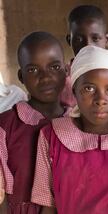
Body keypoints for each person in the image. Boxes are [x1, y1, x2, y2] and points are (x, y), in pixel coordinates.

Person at [31, 46, 108, 214]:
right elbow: (48, 206)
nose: (101, 99)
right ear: (74, 91)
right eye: (89, 88)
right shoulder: (52, 136)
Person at [0, 31, 69, 213]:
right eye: (32, 70)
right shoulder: (5, 127)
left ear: (66, 71)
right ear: (21, 76)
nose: (45, 77)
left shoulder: (78, 123)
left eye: (54, 67)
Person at [61, 4, 108, 122]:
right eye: (78, 39)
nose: (88, 45)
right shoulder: (59, 84)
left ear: (107, 39)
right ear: (69, 41)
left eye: (95, 38)